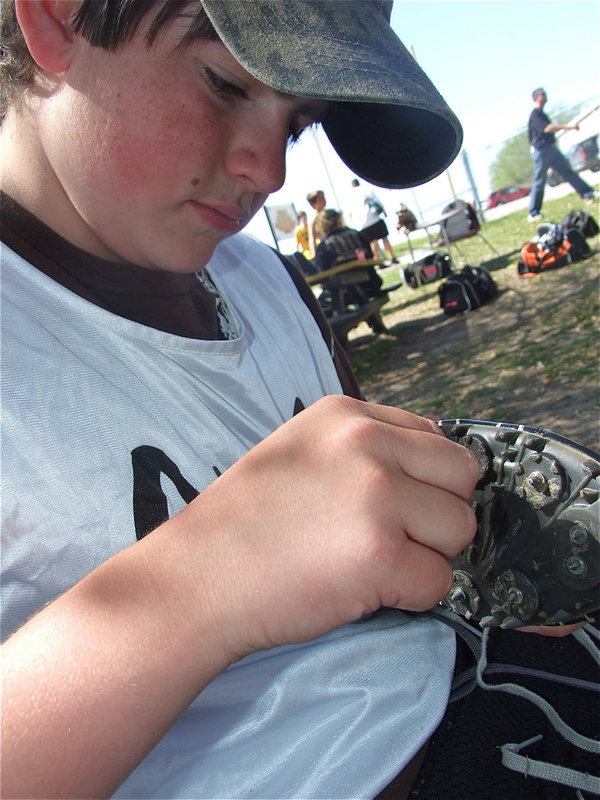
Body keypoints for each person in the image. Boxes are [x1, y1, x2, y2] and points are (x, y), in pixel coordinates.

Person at [0, 3, 585, 800]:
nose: (268, 170)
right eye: (224, 83)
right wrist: (205, 581)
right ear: (59, 17)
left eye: (300, 123)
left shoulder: (269, 284)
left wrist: (477, 552)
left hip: (496, 696)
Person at [527, 87, 596, 221]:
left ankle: (588, 193)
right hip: (541, 151)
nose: (545, 96)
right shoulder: (535, 114)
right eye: (542, 94)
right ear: (536, 98)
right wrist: (569, 127)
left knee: (568, 172)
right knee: (540, 181)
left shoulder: (542, 113)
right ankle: (533, 213)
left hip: (552, 150)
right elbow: (548, 128)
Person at [349, 177, 395, 260]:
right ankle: (391, 257)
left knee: (373, 242)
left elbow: (350, 213)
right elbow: (376, 200)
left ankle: (378, 260)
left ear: (352, 185)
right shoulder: (365, 189)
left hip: (363, 224)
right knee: (384, 238)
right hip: (374, 218)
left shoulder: (350, 196)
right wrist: (384, 211)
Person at [306, 188, 327, 255]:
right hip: (325, 249)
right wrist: (315, 256)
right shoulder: (313, 220)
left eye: (323, 197)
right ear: (314, 203)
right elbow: (312, 240)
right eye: (320, 198)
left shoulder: (331, 214)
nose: (324, 200)